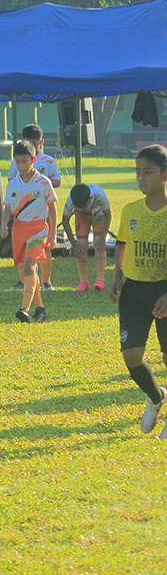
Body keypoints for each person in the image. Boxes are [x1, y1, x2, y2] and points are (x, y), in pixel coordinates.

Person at [110, 145, 167, 437]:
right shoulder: (131, 210)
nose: (141, 178)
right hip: (135, 291)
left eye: (148, 172)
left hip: (164, 291)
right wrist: (118, 277)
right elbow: (122, 244)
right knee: (132, 356)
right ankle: (157, 396)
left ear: (164, 174)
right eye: (137, 172)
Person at [0, 141, 57, 324]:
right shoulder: (14, 183)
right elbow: (8, 207)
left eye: (25, 161)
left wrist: (53, 233)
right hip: (19, 230)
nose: (21, 166)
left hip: (38, 229)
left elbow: (53, 208)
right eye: (17, 162)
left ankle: (24, 308)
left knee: (29, 266)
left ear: (34, 160)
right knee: (28, 271)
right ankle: (40, 309)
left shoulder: (43, 182)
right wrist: (3, 225)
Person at [7, 124, 61, 290]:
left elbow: (57, 180)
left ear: (41, 143)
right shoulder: (16, 161)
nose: (31, 146)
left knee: (45, 247)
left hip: (41, 210)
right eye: (28, 142)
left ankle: (46, 280)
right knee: (21, 248)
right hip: (22, 213)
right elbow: (11, 181)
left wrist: (39, 186)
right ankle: (24, 281)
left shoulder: (49, 161)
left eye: (35, 144)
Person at [62, 182, 112, 292]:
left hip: (98, 214)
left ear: (90, 199)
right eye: (78, 207)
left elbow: (108, 215)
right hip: (81, 218)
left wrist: (103, 238)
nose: (83, 208)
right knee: (81, 246)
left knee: (98, 242)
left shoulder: (99, 194)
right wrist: (74, 245)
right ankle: (83, 281)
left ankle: (100, 279)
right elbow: (65, 221)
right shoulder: (71, 200)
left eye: (84, 206)